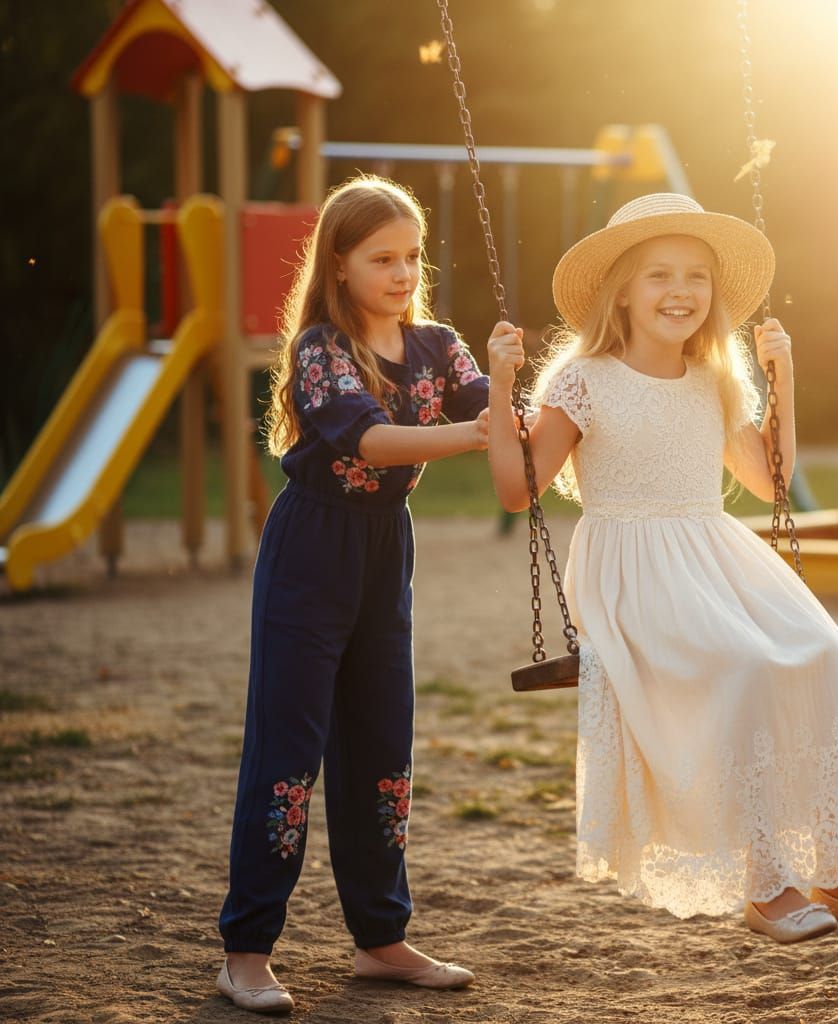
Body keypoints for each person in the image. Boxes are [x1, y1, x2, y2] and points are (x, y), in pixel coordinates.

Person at [487, 193, 838, 944]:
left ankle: (837, 868)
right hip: (632, 570)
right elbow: (519, 490)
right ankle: (765, 880)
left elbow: (768, 478)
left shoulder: (713, 378)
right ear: (621, 289)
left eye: (695, 277)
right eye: (658, 275)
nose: (679, 291)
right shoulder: (584, 380)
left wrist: (784, 381)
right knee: (742, 666)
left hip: (713, 554)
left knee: (825, 653)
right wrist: (499, 381)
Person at [217, 175, 484, 1013]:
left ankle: (380, 939)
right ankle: (247, 952)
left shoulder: (441, 345)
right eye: (382, 258)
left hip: (384, 549)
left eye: (413, 256)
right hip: (312, 546)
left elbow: (505, 415)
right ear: (339, 263)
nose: (404, 272)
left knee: (381, 747)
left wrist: (538, 384)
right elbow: (368, 439)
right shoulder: (322, 349)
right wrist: (473, 433)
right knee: (287, 751)